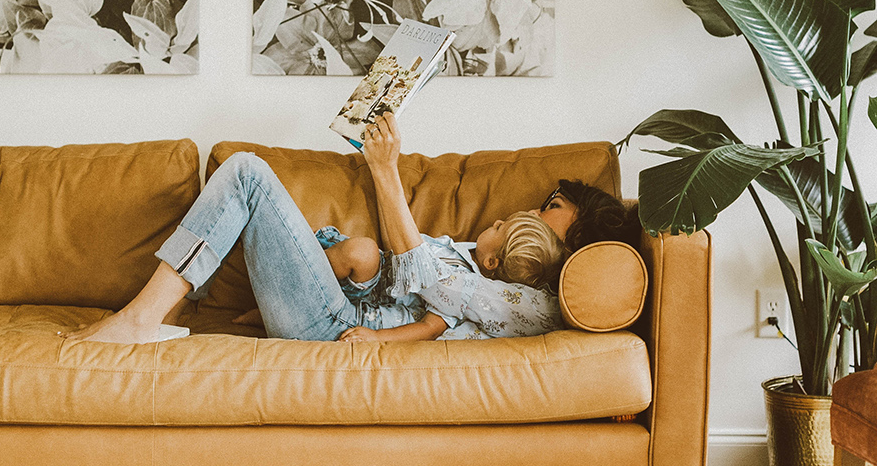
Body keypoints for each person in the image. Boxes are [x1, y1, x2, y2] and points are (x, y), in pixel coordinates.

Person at [62, 115, 568, 347]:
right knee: (247, 174)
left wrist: (385, 168)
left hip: (336, 324)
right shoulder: (473, 269)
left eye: (504, 229)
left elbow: (424, 293)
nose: (497, 220)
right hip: (337, 305)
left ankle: (141, 319)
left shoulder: (502, 300)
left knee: (245, 171)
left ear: (498, 263)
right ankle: (160, 309)